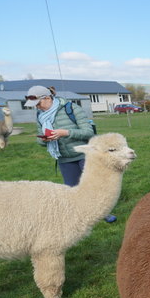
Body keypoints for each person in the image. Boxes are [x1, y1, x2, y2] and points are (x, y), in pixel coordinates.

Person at [26, 85, 116, 223]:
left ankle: (104, 212)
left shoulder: (71, 109)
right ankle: (82, 215)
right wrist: (45, 140)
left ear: (47, 98)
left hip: (85, 155)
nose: (36, 107)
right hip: (64, 158)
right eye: (34, 105)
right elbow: (40, 141)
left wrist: (65, 133)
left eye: (37, 103)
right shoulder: (40, 115)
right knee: (72, 190)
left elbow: (88, 132)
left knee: (94, 186)